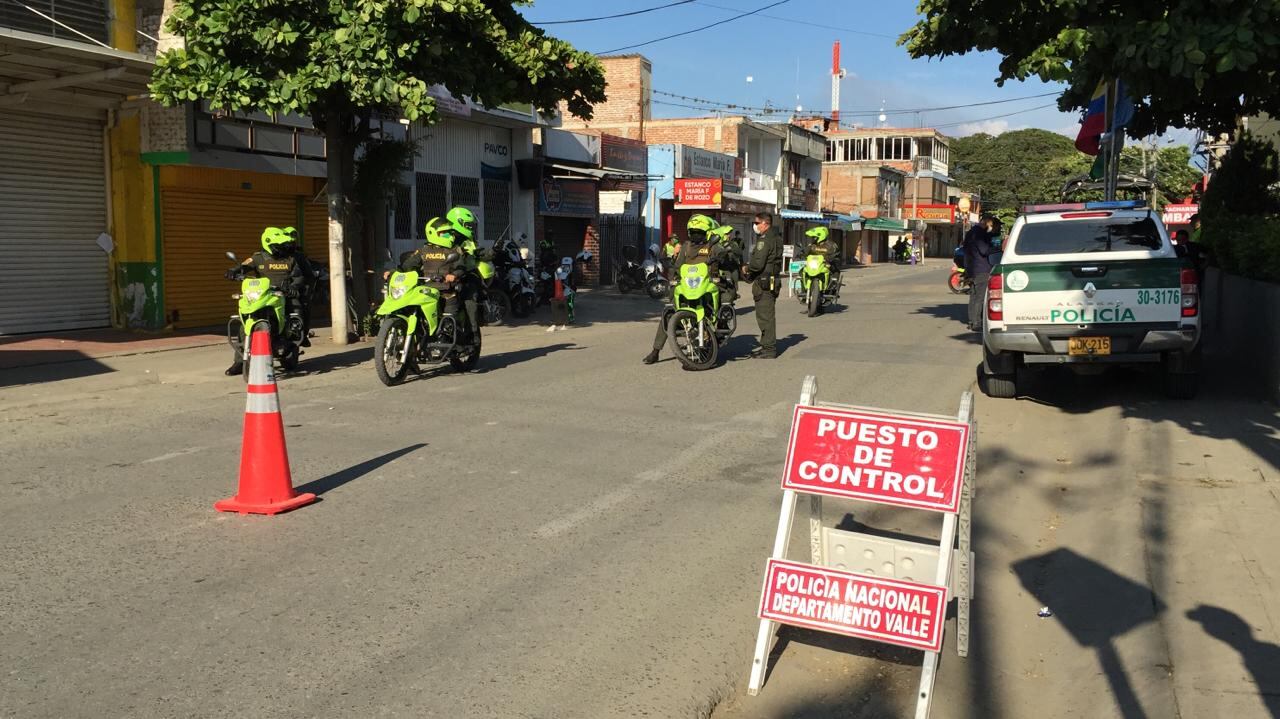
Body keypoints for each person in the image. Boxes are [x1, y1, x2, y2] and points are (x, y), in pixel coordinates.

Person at [224, 226, 315, 375]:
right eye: (278, 246)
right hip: (262, 296)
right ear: (268, 243)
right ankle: (240, 362)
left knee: (297, 310)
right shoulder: (258, 257)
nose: (281, 249)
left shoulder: (291, 258)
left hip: (284, 295)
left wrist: (293, 287)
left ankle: (296, 341)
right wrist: (234, 271)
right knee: (243, 324)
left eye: (282, 245)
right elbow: (244, 266)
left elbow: (299, 276)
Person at [642, 214, 721, 365]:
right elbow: (678, 266)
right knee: (669, 312)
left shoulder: (712, 245)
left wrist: (722, 257)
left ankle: (717, 333)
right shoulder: (686, 246)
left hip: (707, 284)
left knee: (724, 299)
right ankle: (655, 351)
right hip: (688, 285)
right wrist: (674, 278)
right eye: (693, 231)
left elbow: (722, 257)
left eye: (699, 231)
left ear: (706, 232)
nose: (696, 235)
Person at [399, 217, 477, 345]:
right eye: (445, 233)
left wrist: (454, 275)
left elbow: (461, 266)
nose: (450, 236)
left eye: (450, 233)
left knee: (449, 320)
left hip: (448, 290)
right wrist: (393, 272)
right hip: (428, 291)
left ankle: (456, 342)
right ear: (433, 233)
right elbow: (408, 265)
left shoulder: (454, 249)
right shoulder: (424, 250)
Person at [743, 212, 784, 358]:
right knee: (767, 314)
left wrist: (747, 268)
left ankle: (769, 348)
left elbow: (758, 263)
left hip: (764, 281)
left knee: (765, 316)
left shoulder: (765, 240)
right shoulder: (777, 238)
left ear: (765, 224)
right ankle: (766, 344)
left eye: (756, 223)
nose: (755, 226)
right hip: (772, 280)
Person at [964, 214, 996, 332]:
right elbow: (984, 250)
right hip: (981, 269)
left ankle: (972, 321)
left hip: (971, 269)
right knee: (980, 297)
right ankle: (977, 323)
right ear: (986, 222)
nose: (990, 227)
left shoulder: (971, 232)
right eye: (990, 224)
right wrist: (997, 248)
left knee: (973, 296)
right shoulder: (979, 233)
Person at [709, 225, 743, 306]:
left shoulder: (733, 243)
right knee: (725, 286)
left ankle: (730, 301)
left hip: (733, 268)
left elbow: (739, 253)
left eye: (729, 234)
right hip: (723, 269)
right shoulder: (716, 245)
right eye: (727, 234)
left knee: (733, 287)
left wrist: (730, 248)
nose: (729, 235)